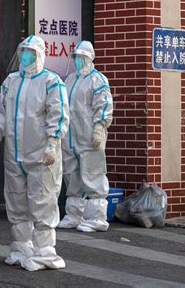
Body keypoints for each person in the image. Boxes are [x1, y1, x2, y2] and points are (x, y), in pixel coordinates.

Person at [0, 35, 69, 271]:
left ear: (40, 55)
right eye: (23, 51)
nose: (25, 56)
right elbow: (0, 111)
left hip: (41, 156)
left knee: (42, 200)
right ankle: (21, 245)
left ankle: (45, 251)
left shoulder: (51, 82)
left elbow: (59, 114)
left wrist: (52, 143)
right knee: (16, 200)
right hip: (14, 155)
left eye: (30, 52)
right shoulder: (11, 81)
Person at [58, 40, 113, 232]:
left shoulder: (98, 79)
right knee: (71, 176)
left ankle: (98, 218)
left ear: (90, 58)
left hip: (90, 136)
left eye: (82, 57)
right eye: (76, 57)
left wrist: (99, 127)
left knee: (93, 175)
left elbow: (104, 105)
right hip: (71, 137)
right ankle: (74, 215)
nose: (79, 60)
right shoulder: (70, 79)